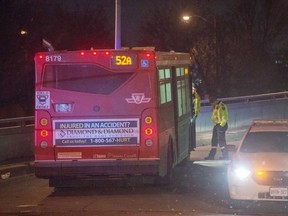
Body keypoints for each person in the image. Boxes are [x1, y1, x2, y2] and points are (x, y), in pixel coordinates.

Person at [190, 84, 201, 151]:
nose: (193, 90)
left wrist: (196, 114)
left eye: (194, 89)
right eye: (192, 89)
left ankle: (192, 145)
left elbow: (198, 105)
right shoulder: (189, 96)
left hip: (194, 114)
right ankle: (191, 145)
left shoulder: (197, 97)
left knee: (192, 129)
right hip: (191, 114)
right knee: (191, 129)